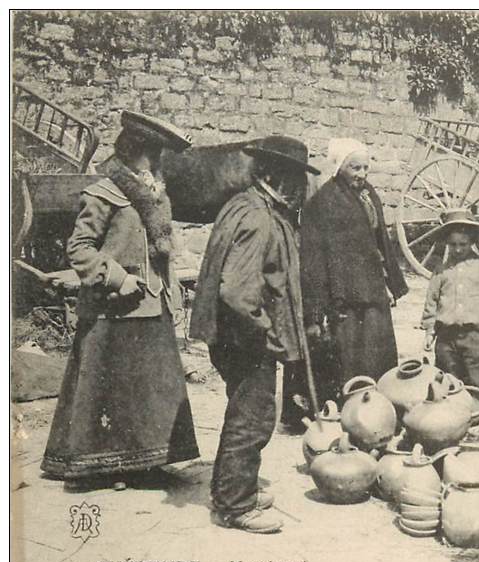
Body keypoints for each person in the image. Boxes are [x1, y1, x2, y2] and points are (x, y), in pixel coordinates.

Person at [42, 111, 199, 490]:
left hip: (152, 304)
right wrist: (117, 277)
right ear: (137, 150)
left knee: (150, 389)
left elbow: (158, 251)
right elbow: (79, 249)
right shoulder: (102, 194)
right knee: (108, 388)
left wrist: (171, 288)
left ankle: (146, 462)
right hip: (113, 309)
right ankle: (100, 467)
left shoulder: (155, 193)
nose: (160, 159)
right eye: (155, 151)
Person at [190, 135, 318, 534]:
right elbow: (237, 291)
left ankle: (230, 486)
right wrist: (266, 332)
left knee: (241, 411)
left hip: (232, 337)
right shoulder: (259, 218)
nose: (301, 191)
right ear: (278, 177)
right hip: (246, 339)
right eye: (297, 181)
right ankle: (236, 504)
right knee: (254, 417)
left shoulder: (244, 204)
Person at [281, 137, 409, 429]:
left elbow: (381, 241)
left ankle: (379, 412)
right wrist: (316, 311)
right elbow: (313, 260)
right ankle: (350, 415)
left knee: (378, 354)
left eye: (365, 167)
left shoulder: (368, 194)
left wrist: (392, 281)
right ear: (338, 167)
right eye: (354, 168)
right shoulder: (322, 203)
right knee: (349, 359)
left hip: (373, 289)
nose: (361, 174)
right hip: (344, 295)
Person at [421, 209, 479, 394]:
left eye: (463, 244)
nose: (458, 249)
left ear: (472, 242)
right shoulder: (441, 270)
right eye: (453, 244)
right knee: (449, 382)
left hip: (476, 337)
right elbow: (431, 301)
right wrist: (429, 331)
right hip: (446, 337)